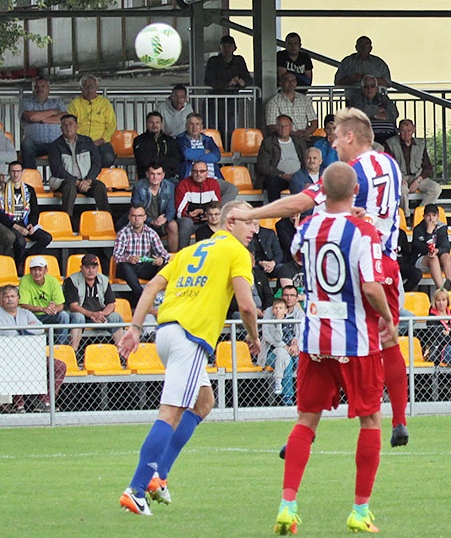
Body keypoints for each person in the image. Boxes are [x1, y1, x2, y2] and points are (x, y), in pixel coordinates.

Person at [229, 108, 410, 448]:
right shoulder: (389, 164)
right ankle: (398, 421)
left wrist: (253, 212)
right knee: (385, 340)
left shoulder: (351, 173)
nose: (333, 143)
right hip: (386, 259)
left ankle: (305, 427)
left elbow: (300, 201)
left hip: (357, 260)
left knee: (323, 335)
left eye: (337, 137)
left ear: (351, 137)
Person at [118, 200, 260, 516]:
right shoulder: (236, 252)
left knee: (204, 402)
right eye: (250, 221)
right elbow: (247, 306)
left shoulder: (192, 250)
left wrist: (135, 327)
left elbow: (152, 285)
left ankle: (159, 475)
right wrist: (253, 337)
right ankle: (137, 489)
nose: (254, 228)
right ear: (232, 220)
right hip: (190, 338)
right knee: (170, 413)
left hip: (167, 333)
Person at [274, 161, 394, 535]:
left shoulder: (308, 227)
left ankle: (287, 504)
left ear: (321, 192)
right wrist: (388, 318)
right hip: (356, 339)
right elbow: (372, 287)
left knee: (306, 420)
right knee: (370, 419)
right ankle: (360, 510)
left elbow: (297, 255)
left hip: (313, 337)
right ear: (356, 191)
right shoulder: (364, 230)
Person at [0, 284, 66, 413]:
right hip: (7, 357)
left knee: (59, 366)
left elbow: (40, 329)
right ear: (1, 299)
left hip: (31, 355)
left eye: (12, 296)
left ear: (18, 299)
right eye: (6, 296)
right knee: (15, 363)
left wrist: (23, 329)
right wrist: (26, 329)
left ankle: (44, 401)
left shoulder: (26, 313)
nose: (9, 299)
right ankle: (18, 404)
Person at [47, 114, 110, 221]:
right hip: (65, 181)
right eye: (64, 125)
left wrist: (89, 180)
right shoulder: (55, 145)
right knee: (70, 186)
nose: (68, 127)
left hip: (86, 180)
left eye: (70, 124)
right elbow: (57, 169)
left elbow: (97, 163)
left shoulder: (87, 142)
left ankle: (108, 220)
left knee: (100, 187)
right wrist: (76, 182)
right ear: (61, 128)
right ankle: (67, 221)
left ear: (76, 126)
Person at [63, 253, 124, 353]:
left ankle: (121, 353)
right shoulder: (72, 280)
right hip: (82, 316)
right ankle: (74, 353)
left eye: (93, 267)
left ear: (97, 268)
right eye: (87, 267)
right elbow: (73, 306)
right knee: (78, 317)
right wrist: (92, 314)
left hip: (100, 316)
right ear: (81, 268)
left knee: (115, 317)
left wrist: (101, 315)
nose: (91, 270)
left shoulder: (104, 280)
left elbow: (111, 304)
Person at [0, 161, 52, 272]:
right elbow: (1, 215)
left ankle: (24, 259)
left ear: (22, 172)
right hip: (10, 224)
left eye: (18, 171)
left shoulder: (29, 190)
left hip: (25, 222)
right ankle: (18, 265)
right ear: (9, 172)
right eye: (13, 171)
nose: (15, 174)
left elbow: (35, 211)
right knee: (20, 241)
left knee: (46, 238)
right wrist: (16, 227)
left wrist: (31, 225)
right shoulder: (2, 190)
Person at [175, 113, 238, 202]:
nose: (194, 127)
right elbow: (187, 154)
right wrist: (204, 151)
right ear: (186, 126)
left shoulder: (208, 140)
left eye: (197, 124)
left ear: (201, 126)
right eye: (191, 124)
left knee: (232, 189)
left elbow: (216, 157)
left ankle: (217, 212)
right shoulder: (180, 140)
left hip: (212, 178)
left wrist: (195, 157)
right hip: (192, 178)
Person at [112, 205, 170, 305]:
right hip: (128, 268)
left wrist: (161, 259)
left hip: (144, 267)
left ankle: (166, 299)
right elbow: (116, 256)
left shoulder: (151, 233)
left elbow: (164, 254)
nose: (137, 219)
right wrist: (128, 258)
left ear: (145, 217)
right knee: (124, 266)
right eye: (134, 216)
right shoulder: (122, 233)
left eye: (139, 216)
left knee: (165, 266)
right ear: (129, 217)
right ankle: (142, 296)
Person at [386, 119, 442, 214]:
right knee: (402, 189)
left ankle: (420, 213)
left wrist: (418, 180)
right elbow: (387, 165)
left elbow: (428, 167)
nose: (406, 134)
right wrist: (397, 178)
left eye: (409, 130)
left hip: (417, 177)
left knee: (436, 188)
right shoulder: (390, 144)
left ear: (414, 130)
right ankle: (406, 215)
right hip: (400, 178)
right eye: (403, 131)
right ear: (399, 130)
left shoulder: (420, 144)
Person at [260, 285, 304, 406]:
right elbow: (267, 335)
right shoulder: (271, 311)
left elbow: (302, 333)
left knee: (304, 362)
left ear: (296, 298)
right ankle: (287, 399)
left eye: (292, 295)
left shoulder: (299, 313)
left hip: (293, 350)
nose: (289, 298)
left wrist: (296, 344)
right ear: (281, 296)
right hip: (272, 352)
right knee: (287, 361)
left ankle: (305, 397)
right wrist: (283, 346)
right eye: (286, 295)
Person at [17, 255, 70, 344]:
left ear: (46, 270)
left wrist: (53, 309)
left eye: (39, 269)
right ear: (30, 271)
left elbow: (60, 305)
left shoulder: (53, 281)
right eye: (34, 269)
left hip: (48, 315)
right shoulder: (25, 280)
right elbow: (24, 305)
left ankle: (60, 346)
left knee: (64, 315)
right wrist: (43, 309)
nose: (36, 272)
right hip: (31, 315)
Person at [204, 35, 252, 133]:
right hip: (213, 102)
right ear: (220, 47)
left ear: (235, 48)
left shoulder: (239, 60)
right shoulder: (213, 61)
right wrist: (228, 83)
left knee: (230, 130)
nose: (227, 49)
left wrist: (243, 82)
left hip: (231, 103)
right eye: (224, 46)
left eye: (229, 46)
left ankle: (228, 148)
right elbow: (209, 81)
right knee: (212, 130)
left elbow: (248, 79)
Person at [256, 114, 309, 202]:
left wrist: (298, 175)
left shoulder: (299, 142)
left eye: (286, 125)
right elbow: (263, 166)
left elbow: (306, 161)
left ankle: (303, 213)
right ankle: (276, 213)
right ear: (276, 127)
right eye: (281, 125)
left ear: (291, 127)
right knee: (272, 181)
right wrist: (282, 175)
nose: (283, 128)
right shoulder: (268, 142)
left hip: (297, 176)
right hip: (278, 178)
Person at [67, 75, 116, 167]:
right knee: (75, 160)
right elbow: (71, 124)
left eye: (92, 86)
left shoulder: (105, 103)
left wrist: (102, 140)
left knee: (108, 157)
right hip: (81, 142)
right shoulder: (75, 104)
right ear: (81, 89)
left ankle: (94, 177)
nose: (89, 89)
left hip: (101, 141)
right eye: (86, 86)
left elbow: (111, 125)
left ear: (97, 88)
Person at [131, 161, 179, 253]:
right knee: (137, 221)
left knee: (173, 225)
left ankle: (172, 258)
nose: (155, 177)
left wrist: (165, 219)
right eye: (152, 174)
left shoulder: (170, 186)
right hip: (145, 222)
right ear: (147, 174)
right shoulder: (138, 187)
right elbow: (136, 210)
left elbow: (171, 209)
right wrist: (151, 220)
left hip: (161, 222)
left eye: (158, 174)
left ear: (163, 175)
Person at [19, 76, 66, 169]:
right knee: (26, 143)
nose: (39, 89)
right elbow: (31, 117)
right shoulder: (26, 103)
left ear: (49, 89)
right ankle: (31, 178)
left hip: (55, 143)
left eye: (43, 86)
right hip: (36, 145)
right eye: (36, 87)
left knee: (68, 144)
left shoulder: (57, 102)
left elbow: (63, 119)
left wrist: (42, 119)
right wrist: (53, 112)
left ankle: (62, 180)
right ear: (33, 90)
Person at [412, 203, 451, 291]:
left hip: (437, 258)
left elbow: (446, 247)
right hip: (420, 260)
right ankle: (441, 290)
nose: (431, 219)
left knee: (446, 256)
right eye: (428, 215)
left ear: (438, 216)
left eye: (434, 215)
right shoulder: (418, 229)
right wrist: (429, 233)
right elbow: (422, 249)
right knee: (433, 258)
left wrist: (438, 250)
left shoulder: (442, 227)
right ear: (423, 216)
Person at [175, 161, 222, 250]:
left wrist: (203, 212)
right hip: (190, 222)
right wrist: (191, 215)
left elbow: (216, 207)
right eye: (195, 171)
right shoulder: (183, 184)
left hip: (207, 220)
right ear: (191, 172)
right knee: (186, 223)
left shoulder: (213, 184)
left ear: (207, 173)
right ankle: (183, 253)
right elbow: (180, 212)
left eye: (202, 171)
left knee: (217, 219)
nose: (198, 174)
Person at [334, 36, 392, 104]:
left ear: (371, 48)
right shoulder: (347, 62)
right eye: (361, 46)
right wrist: (351, 79)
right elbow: (337, 82)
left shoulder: (379, 63)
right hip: (353, 101)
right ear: (356, 47)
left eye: (366, 46)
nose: (364, 48)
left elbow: (388, 83)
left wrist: (371, 80)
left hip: (376, 101)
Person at [347, 75, 399, 145]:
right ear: (362, 88)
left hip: (388, 135)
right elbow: (361, 111)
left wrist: (371, 114)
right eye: (366, 86)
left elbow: (394, 113)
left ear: (376, 88)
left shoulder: (384, 98)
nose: (369, 89)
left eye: (372, 86)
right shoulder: (356, 99)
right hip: (367, 135)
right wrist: (377, 113)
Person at [265, 72, 318, 138]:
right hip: (284, 139)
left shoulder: (305, 100)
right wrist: (293, 134)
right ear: (280, 83)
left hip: (305, 138)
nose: (291, 83)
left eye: (293, 80)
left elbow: (314, 122)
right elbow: (272, 126)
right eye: (287, 80)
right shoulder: (273, 102)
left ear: (296, 83)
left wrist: (306, 133)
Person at [133, 111, 182, 182]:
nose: (154, 125)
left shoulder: (170, 140)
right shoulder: (139, 140)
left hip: (168, 177)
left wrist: (156, 161)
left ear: (161, 124)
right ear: (147, 124)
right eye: (151, 122)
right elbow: (142, 161)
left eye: (157, 122)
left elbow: (175, 161)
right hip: (146, 178)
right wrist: (163, 160)